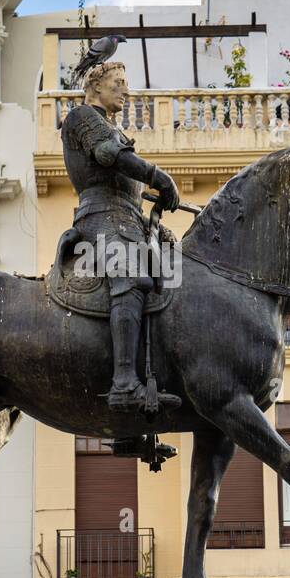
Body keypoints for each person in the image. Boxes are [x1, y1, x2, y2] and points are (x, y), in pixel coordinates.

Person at [60, 61, 181, 413]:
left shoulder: (112, 126)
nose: (126, 90)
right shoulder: (82, 117)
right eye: (119, 82)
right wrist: (159, 177)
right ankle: (125, 383)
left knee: (176, 264)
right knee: (128, 273)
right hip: (101, 216)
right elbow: (108, 156)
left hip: (128, 218)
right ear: (96, 86)